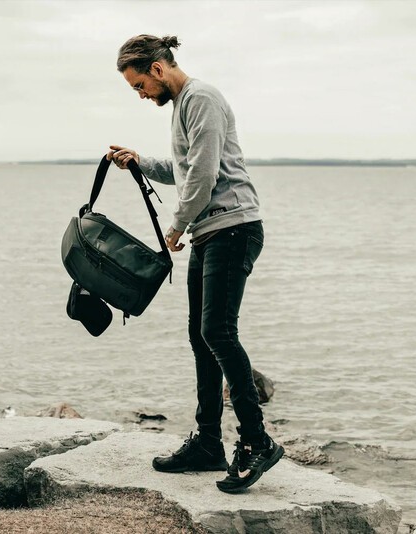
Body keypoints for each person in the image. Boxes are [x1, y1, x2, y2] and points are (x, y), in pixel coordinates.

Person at [107, 34, 283, 493]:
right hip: (213, 232)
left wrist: (176, 225)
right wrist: (139, 162)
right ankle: (209, 444)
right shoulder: (184, 104)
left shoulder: (200, 98)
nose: (142, 95)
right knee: (200, 335)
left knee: (218, 332)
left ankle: (258, 442)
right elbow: (186, 168)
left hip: (233, 228)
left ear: (158, 69)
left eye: (140, 86)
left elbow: (203, 178)